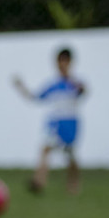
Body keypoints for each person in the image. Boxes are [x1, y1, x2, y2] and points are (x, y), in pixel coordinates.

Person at [13, 47, 88, 194]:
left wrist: (71, 81)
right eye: (60, 61)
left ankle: (73, 185)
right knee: (45, 149)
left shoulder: (75, 83)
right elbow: (35, 97)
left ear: (70, 63)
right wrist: (21, 87)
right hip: (55, 123)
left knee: (70, 155)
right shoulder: (53, 85)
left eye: (65, 61)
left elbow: (83, 91)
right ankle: (39, 182)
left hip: (70, 124)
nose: (62, 64)